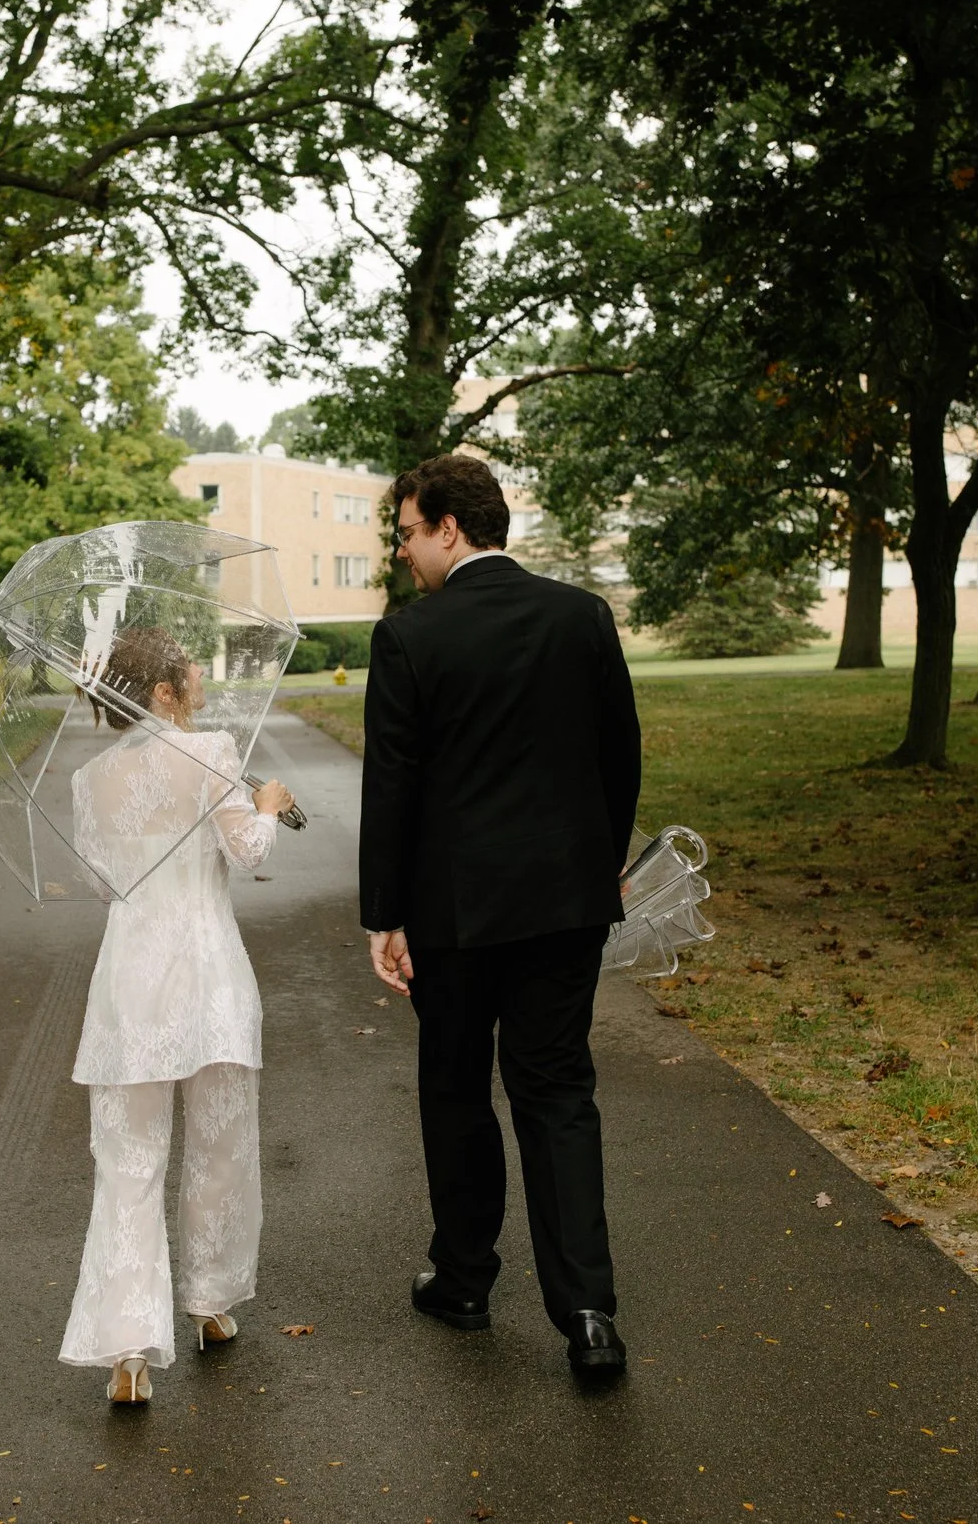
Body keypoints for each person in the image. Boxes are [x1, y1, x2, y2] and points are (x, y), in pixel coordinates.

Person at [358, 454, 643, 1376]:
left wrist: (384, 915)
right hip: (566, 906)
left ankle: (466, 1280)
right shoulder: (582, 616)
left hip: (453, 916)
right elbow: (619, 753)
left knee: (454, 1089)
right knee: (559, 1093)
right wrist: (602, 865)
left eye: (406, 532)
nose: (402, 552)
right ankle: (590, 1313)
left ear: (448, 526)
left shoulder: (409, 638)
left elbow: (391, 787)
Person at [58, 626, 296, 1406]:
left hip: (130, 981)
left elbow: (104, 887)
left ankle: (128, 1350)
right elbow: (251, 851)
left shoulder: (89, 780)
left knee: (127, 1160)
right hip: (208, 981)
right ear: (162, 691)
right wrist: (267, 803)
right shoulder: (214, 752)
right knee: (219, 1144)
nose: (199, 673)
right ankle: (210, 1301)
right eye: (188, 666)